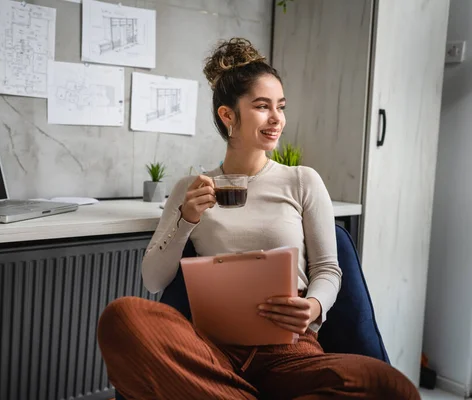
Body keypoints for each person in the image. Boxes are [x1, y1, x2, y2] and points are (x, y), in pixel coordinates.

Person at [97, 38, 419, 400]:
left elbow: (329, 268)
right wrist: (186, 219)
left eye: (280, 106)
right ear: (228, 115)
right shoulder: (191, 188)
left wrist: (313, 306)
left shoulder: (302, 181)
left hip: (290, 351)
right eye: (262, 106)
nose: (276, 118)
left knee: (391, 388)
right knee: (122, 317)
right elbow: (153, 279)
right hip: (212, 352)